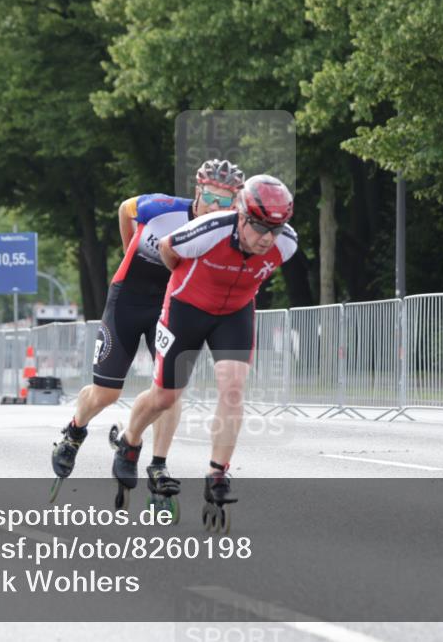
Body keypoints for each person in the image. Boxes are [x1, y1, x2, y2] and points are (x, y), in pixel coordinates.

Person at [50, 159, 246, 505]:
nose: (216, 207)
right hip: (127, 299)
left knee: (168, 391)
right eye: (211, 197)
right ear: (197, 191)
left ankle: (158, 463)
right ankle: (74, 430)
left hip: (172, 306)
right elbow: (126, 210)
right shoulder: (161, 207)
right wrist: (132, 248)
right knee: (106, 393)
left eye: (226, 200)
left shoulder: (228, 229)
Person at [110, 174, 298, 528]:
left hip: (234, 312)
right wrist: (189, 280)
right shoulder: (209, 229)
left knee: (233, 385)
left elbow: (261, 269)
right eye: (259, 227)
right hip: (186, 306)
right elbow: (168, 249)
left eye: (276, 228)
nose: (267, 238)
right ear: (241, 216)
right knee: (166, 396)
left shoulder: (286, 244)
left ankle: (217, 474)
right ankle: (130, 441)